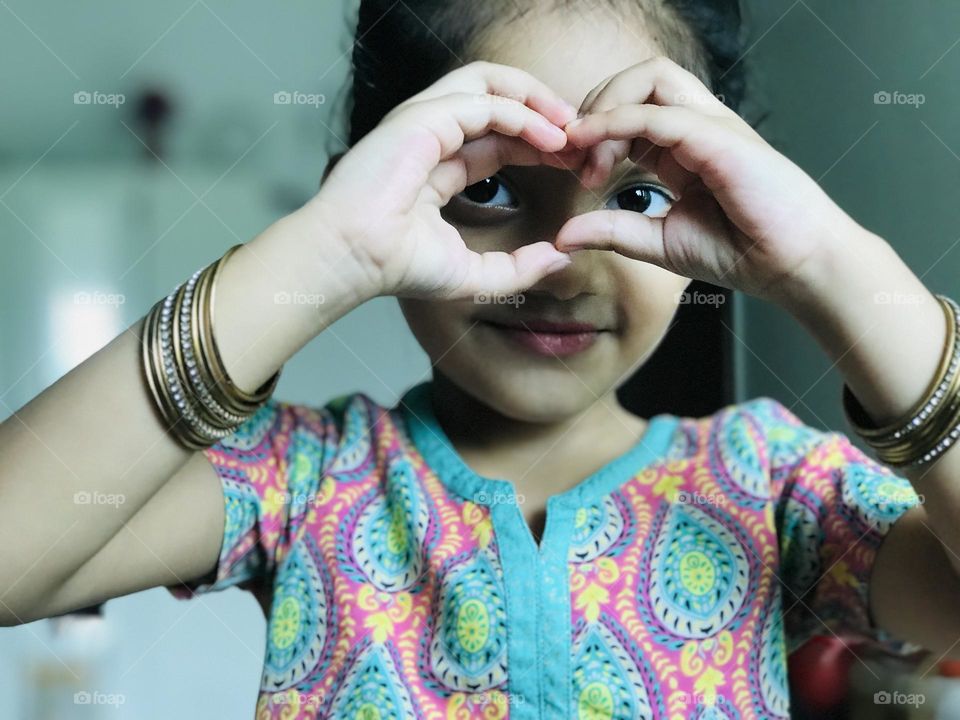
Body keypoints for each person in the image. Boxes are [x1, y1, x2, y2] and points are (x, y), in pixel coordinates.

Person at [4, 1, 960, 718]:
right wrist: (323, 254)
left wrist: (831, 264)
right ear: (381, 191)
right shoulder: (305, 479)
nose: (563, 265)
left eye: (637, 199)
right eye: (491, 184)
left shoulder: (770, 486)